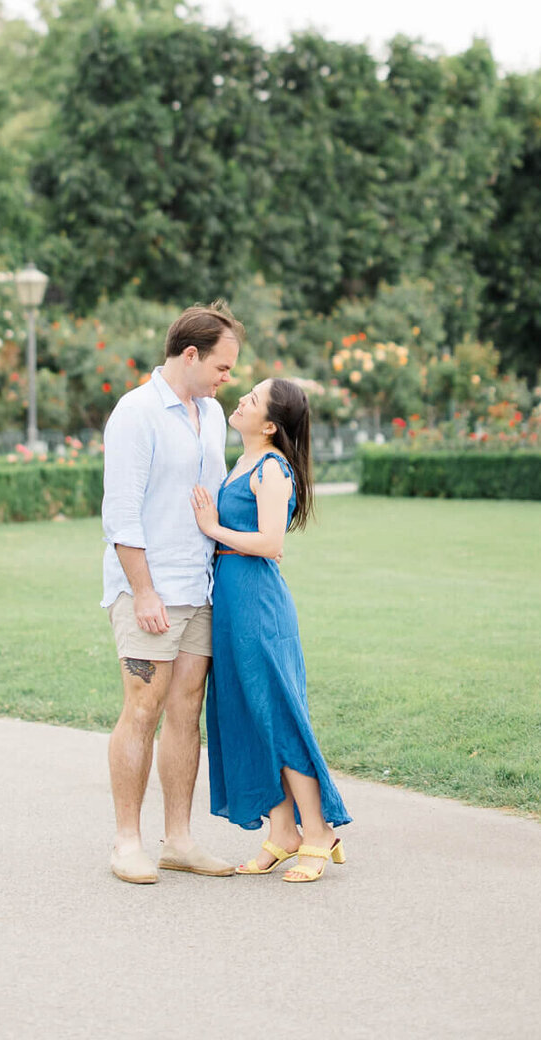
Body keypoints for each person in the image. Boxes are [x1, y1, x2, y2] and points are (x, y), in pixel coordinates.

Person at [101, 301, 245, 885]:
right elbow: (121, 514)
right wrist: (143, 592)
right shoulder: (135, 412)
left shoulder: (210, 414)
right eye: (223, 367)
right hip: (150, 591)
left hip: (199, 587)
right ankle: (127, 842)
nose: (226, 379)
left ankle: (179, 840)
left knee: (186, 713)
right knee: (143, 708)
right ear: (190, 354)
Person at [190, 376, 351, 882]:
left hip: (259, 605)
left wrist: (213, 529)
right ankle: (282, 833)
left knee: (277, 715)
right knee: (245, 713)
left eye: (253, 399)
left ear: (270, 425)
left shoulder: (272, 467)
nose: (241, 399)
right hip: (233, 604)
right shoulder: (240, 461)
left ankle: (318, 831)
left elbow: (271, 542)